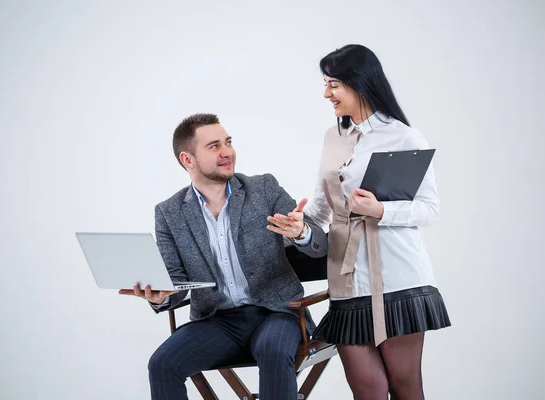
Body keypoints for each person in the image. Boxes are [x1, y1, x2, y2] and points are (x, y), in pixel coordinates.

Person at [119, 113, 328, 400]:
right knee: (162, 363)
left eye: (228, 142)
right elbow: (176, 282)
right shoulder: (169, 213)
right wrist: (162, 297)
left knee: (272, 350)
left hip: (277, 314)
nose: (227, 152)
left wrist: (301, 231)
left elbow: (320, 246)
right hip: (216, 322)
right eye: (214, 146)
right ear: (187, 160)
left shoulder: (263, 188)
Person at [304, 44, 451, 400]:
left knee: (405, 387)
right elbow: (321, 209)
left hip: (398, 280)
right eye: (325, 84)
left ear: (360, 83)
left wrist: (381, 212)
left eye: (333, 84)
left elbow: (429, 208)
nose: (327, 93)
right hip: (346, 283)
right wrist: (299, 224)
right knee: (369, 391)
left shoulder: (402, 136)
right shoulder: (333, 137)